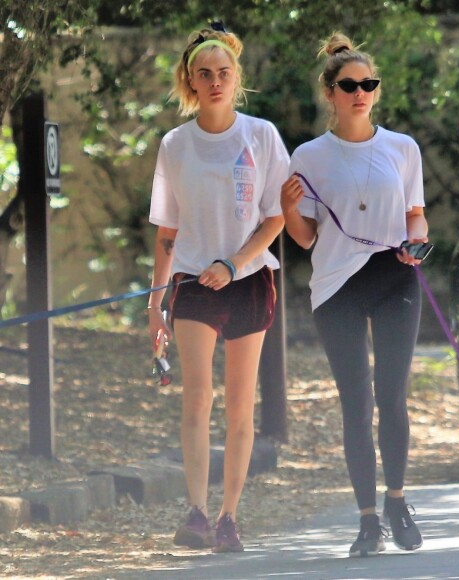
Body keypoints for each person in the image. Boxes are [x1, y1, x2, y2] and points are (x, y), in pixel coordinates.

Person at [281, 32, 429, 557]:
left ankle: (397, 500)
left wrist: (419, 240)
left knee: (392, 395)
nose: (360, 92)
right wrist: (287, 204)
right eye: (350, 85)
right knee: (356, 402)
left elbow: (416, 213)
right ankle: (368, 519)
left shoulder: (402, 148)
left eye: (369, 84)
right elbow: (304, 237)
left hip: (395, 277)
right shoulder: (309, 155)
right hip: (337, 285)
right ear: (330, 92)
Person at [147, 22, 289, 553]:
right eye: (204, 74)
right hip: (192, 284)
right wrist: (155, 301)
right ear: (190, 80)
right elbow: (167, 231)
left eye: (223, 73)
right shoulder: (174, 144)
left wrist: (234, 263)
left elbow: (275, 217)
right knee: (196, 399)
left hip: (249, 280)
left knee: (238, 408)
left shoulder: (262, 135)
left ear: (236, 78)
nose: (214, 82)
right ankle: (197, 512)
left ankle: (230, 515)